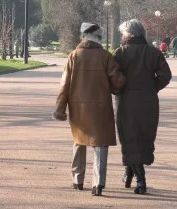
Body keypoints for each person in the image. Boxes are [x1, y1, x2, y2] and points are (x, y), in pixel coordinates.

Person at [53, 22, 125, 196]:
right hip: (101, 107)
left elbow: (64, 85)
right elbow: (118, 81)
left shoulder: (73, 56)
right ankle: (98, 184)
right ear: (98, 37)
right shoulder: (106, 56)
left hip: (78, 107)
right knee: (100, 145)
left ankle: (77, 180)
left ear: (83, 36)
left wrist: (60, 109)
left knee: (79, 142)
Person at [113, 19, 172, 194]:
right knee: (144, 137)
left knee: (129, 137)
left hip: (127, 100)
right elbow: (165, 75)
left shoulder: (120, 53)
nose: (122, 36)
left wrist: (117, 89)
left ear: (130, 34)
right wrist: (152, 87)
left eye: (123, 32)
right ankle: (129, 173)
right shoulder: (154, 53)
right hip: (148, 101)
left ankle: (140, 179)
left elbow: (114, 77)